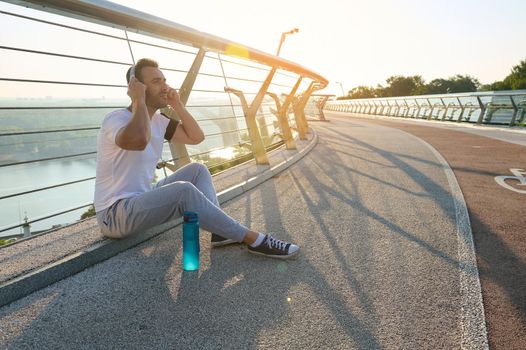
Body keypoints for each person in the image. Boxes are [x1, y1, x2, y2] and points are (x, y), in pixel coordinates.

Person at [94, 58, 299, 259]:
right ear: (136, 86)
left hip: (141, 197)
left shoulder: (159, 121)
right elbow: (138, 140)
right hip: (114, 214)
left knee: (197, 170)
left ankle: (220, 233)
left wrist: (178, 106)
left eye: (164, 80)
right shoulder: (116, 119)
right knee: (183, 190)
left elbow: (196, 137)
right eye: (156, 82)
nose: (165, 86)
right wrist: (138, 100)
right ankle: (254, 239)